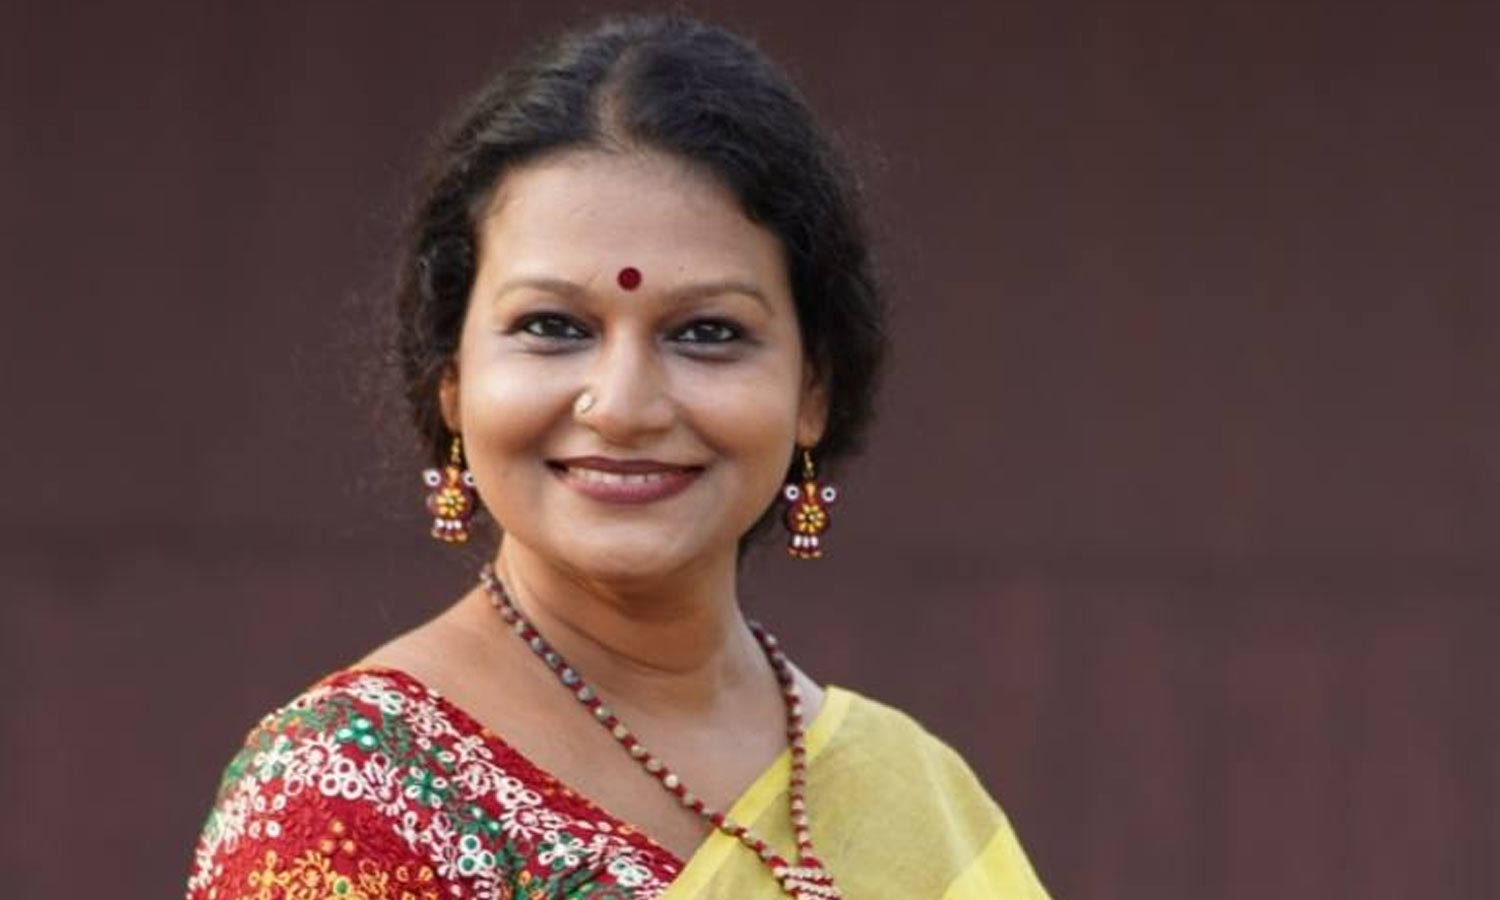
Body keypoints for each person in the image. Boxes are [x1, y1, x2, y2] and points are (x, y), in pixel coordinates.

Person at [185, 14, 1051, 899]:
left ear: (813, 390)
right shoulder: (349, 798)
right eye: (553, 327)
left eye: (706, 332)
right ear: (451, 378)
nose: (625, 407)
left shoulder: (917, 794)